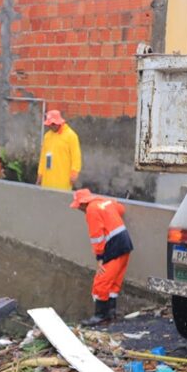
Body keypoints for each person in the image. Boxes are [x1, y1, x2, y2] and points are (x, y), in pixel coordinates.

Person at [71, 189, 133, 325]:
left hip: (113, 246)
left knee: (101, 281)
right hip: (125, 244)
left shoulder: (91, 210)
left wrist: (99, 258)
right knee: (114, 281)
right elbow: (121, 209)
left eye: (79, 206)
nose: (79, 209)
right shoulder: (105, 202)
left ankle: (100, 316)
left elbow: (96, 236)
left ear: (83, 203)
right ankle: (110, 314)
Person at [36, 109, 82, 191]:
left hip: (63, 178)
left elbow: (76, 156)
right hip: (47, 178)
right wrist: (40, 174)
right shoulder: (47, 136)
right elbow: (43, 157)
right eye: (49, 124)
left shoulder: (71, 136)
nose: (51, 126)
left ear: (59, 123)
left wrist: (74, 172)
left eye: (53, 124)